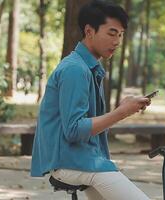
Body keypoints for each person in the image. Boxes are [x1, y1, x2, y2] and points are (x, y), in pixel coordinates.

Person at [31, 1, 151, 199]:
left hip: (84, 157)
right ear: (89, 31)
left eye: (120, 35)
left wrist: (122, 108)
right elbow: (74, 129)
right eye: (111, 33)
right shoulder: (76, 70)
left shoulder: (88, 68)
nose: (117, 41)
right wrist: (122, 112)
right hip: (71, 160)